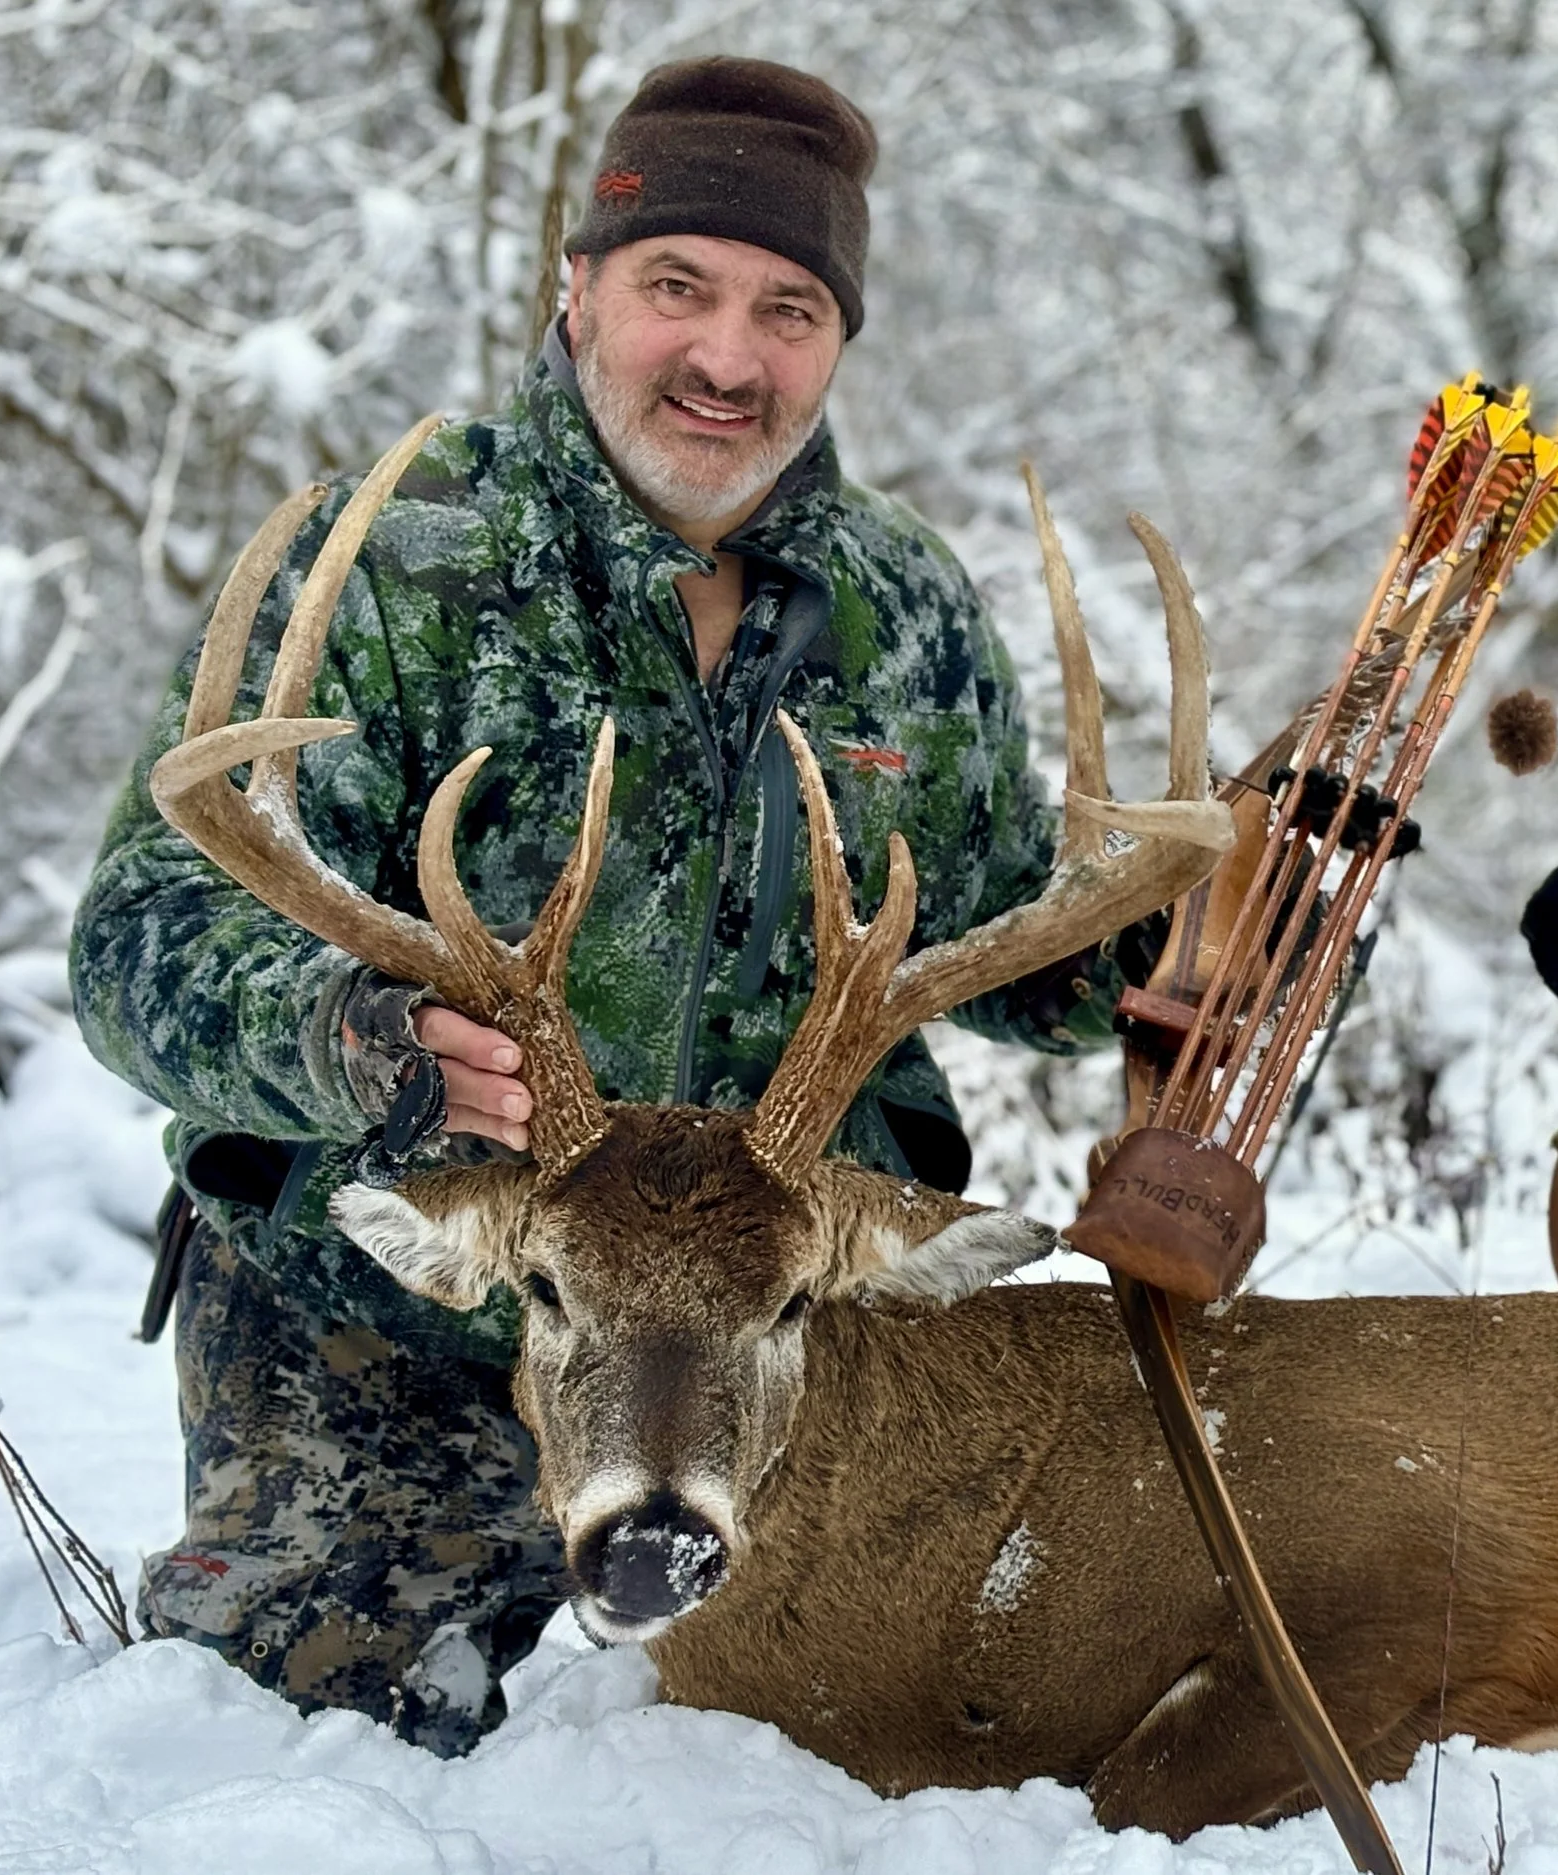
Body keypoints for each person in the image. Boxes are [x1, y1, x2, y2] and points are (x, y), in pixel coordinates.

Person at [69, 56, 1153, 1755]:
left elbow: (1014, 936)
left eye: (789, 309)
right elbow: (138, 944)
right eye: (679, 288)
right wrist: (359, 1037)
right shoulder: (395, 562)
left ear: (840, 340)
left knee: (935, 1743)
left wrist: (1172, 943)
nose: (731, 358)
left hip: (785, 1347)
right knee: (318, 1741)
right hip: (402, 1326)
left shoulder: (905, 610)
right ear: (576, 290)